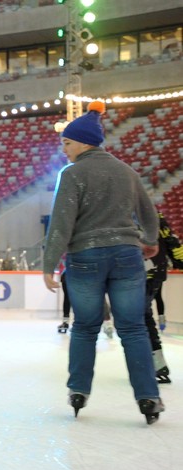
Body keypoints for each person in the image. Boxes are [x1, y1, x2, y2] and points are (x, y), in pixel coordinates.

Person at [42, 101, 163, 424]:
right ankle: (149, 397)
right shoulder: (127, 172)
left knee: (85, 327)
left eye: (67, 142)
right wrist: (149, 240)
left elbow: (62, 223)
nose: (64, 149)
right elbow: (149, 213)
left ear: (83, 142)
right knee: (134, 329)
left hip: (85, 258)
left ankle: (78, 391)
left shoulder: (72, 174)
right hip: (126, 255)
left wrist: (49, 264)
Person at [143, 211, 183, 383]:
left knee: (139, 319)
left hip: (141, 273)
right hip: (154, 272)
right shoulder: (155, 214)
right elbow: (171, 239)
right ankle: (157, 363)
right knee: (143, 317)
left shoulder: (127, 211)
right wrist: (179, 260)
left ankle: (152, 364)